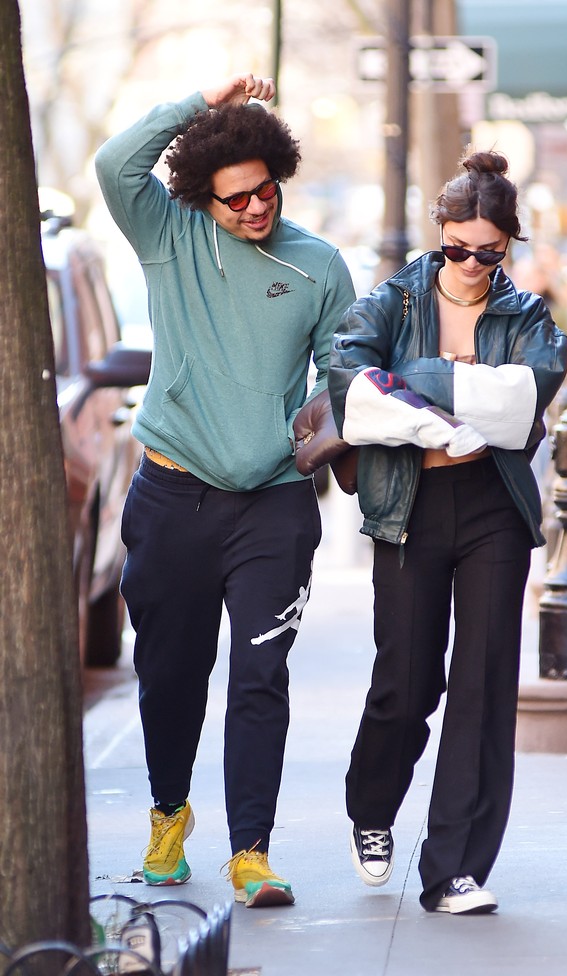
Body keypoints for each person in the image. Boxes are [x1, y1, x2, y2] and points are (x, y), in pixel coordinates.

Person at [94, 74, 355, 907]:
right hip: (171, 497)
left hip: (273, 506)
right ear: (204, 197)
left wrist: (327, 424)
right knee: (170, 673)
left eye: (265, 190)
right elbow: (112, 165)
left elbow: (346, 370)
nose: (253, 209)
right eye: (235, 197)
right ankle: (170, 814)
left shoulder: (316, 265)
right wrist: (198, 105)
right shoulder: (169, 238)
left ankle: (252, 849)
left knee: (259, 675)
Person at [328, 150, 567, 915]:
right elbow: (348, 386)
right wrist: (463, 393)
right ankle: (372, 806)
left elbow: (525, 404)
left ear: (508, 246)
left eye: (487, 252)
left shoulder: (527, 317)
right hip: (409, 505)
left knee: (484, 681)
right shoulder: (390, 304)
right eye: (457, 247)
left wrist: (413, 388)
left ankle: (454, 867)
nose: (469, 264)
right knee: (407, 686)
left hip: (493, 505)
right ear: (440, 234)